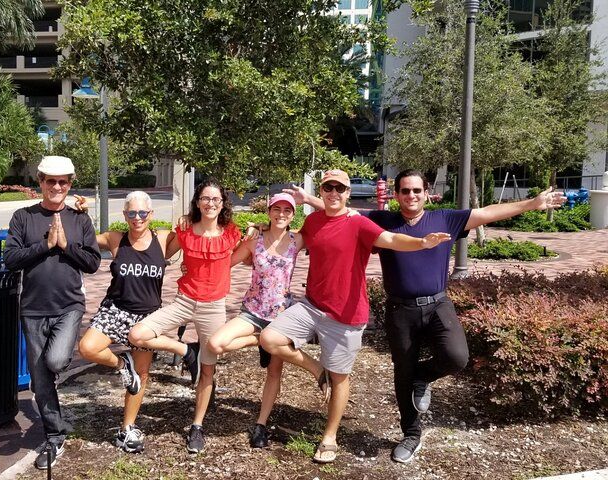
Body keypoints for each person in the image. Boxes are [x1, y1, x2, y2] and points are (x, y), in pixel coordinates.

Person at [283, 168, 566, 463]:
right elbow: (340, 208)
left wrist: (532, 203)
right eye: (405, 191)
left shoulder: (444, 218)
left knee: (456, 357)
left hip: (437, 304)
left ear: (426, 192)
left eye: (417, 190)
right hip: (399, 310)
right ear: (396, 195)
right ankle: (411, 434)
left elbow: (487, 213)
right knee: (401, 374)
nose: (411, 196)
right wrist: (310, 199)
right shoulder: (383, 220)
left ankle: (422, 377)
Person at [259, 169, 451, 464]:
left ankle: (330, 436)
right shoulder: (313, 220)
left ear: (348, 193)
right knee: (269, 338)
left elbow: (391, 239)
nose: (333, 193)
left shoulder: (360, 224)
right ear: (321, 192)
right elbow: (292, 244)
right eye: (328, 188)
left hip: (346, 315)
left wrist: (421, 243)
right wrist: (260, 237)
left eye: (340, 188)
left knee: (340, 378)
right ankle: (315, 369)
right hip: (312, 306)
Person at [76, 191, 200, 454]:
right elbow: (85, 239)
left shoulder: (163, 238)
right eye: (131, 213)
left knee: (142, 375)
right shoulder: (115, 239)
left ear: (151, 215)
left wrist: (189, 218)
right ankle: (123, 365)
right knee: (87, 348)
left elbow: (195, 235)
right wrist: (82, 212)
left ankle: (128, 429)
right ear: (125, 215)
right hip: (115, 309)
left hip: (147, 317)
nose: (137, 218)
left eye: (143, 213)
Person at [128, 178, 242, 454]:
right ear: (197, 202)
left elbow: (246, 251)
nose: (210, 203)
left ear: (223, 203)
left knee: (207, 369)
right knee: (137, 334)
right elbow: (161, 253)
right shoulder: (185, 231)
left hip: (214, 306)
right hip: (184, 301)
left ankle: (197, 426)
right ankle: (185, 350)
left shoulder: (232, 233)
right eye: (205, 198)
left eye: (216, 199)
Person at [4, 155, 101, 470]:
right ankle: (54, 436)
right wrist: (45, 245)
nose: (57, 186)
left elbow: (93, 263)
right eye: (50, 181)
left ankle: (49, 382)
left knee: (56, 360)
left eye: (63, 181)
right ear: (41, 183)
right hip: (32, 309)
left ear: (70, 183)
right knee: (41, 381)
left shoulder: (80, 220)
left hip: (68, 306)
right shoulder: (23, 217)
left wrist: (64, 246)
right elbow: (12, 259)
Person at [206, 193, 303, 449]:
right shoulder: (254, 241)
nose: (281, 214)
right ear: (269, 212)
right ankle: (264, 341)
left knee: (274, 372)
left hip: (280, 316)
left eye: (287, 210)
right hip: (252, 312)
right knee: (216, 344)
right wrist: (193, 269)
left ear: (293, 215)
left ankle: (260, 424)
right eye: (276, 209)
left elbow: (326, 226)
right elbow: (224, 263)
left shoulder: (297, 240)